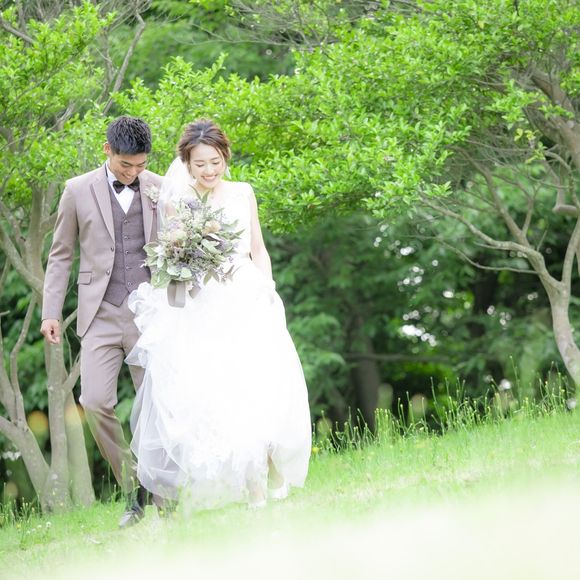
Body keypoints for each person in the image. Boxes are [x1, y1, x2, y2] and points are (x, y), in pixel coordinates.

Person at [127, 119, 311, 509]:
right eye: (200, 164)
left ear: (225, 157)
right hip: (205, 304)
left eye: (215, 162)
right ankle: (253, 490)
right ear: (187, 164)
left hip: (248, 297)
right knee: (226, 395)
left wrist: (267, 288)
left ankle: (267, 467)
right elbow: (175, 256)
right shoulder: (178, 201)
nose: (209, 171)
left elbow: (258, 249)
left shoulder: (243, 192)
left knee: (261, 386)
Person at [41, 116, 162, 528]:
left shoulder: (160, 187)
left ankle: (164, 495)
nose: (134, 173)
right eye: (126, 165)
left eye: (141, 165)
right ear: (107, 150)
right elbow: (61, 254)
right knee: (94, 402)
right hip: (100, 314)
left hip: (151, 314)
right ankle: (134, 488)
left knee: (157, 404)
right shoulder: (77, 190)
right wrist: (51, 311)